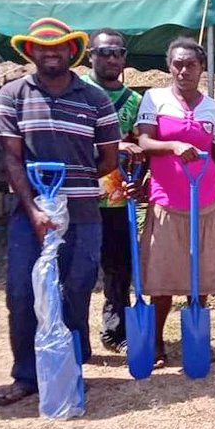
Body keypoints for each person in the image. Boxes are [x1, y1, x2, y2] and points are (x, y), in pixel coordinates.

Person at [0, 18, 120, 405]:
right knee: (21, 292)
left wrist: (73, 185)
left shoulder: (95, 99)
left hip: (83, 212)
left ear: (71, 52)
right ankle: (27, 375)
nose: (51, 52)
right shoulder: (12, 94)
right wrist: (35, 206)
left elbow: (108, 158)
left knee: (77, 288)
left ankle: (71, 364)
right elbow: (12, 159)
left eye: (59, 46)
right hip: (30, 214)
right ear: (30, 51)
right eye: (42, 46)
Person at [136, 37, 215, 366]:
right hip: (166, 202)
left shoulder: (213, 109)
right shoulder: (154, 99)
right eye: (178, 63)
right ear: (169, 66)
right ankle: (158, 342)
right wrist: (173, 145)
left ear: (202, 68)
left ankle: (196, 338)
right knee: (162, 280)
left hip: (205, 203)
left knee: (200, 279)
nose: (184, 70)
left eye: (191, 64)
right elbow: (145, 140)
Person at [81, 28, 145, 354]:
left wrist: (140, 177)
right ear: (90, 55)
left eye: (117, 52)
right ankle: (74, 337)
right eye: (103, 52)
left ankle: (115, 330)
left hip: (118, 197)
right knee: (77, 269)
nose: (110, 58)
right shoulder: (76, 93)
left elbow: (140, 143)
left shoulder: (134, 101)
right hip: (80, 195)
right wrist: (114, 144)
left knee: (119, 267)